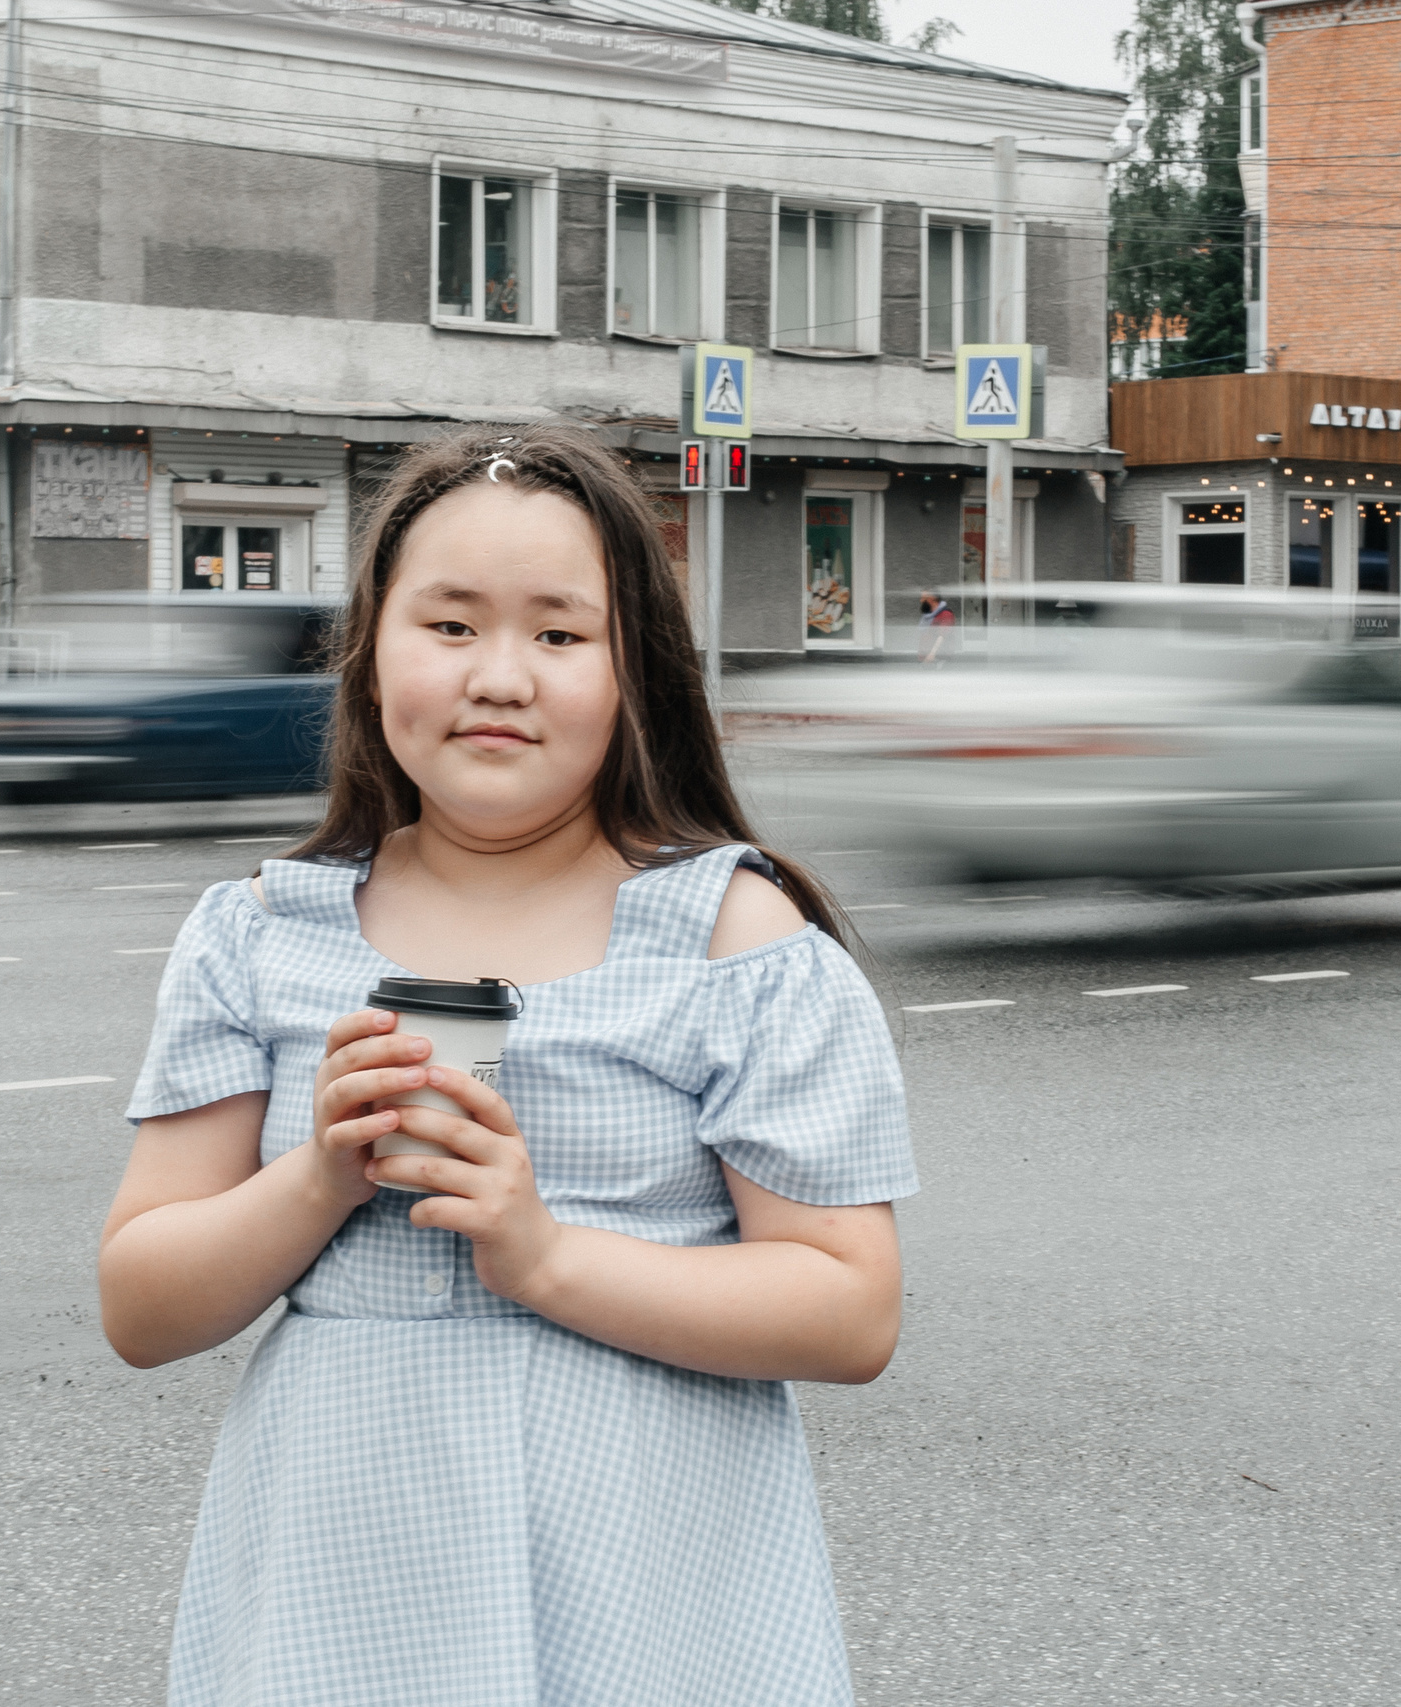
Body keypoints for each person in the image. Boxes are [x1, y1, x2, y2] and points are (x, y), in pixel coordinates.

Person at [100, 424, 916, 1706]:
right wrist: (317, 1179)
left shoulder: (738, 940)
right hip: (343, 1576)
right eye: (449, 625)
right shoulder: (256, 935)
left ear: (633, 669)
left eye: (557, 633)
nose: (500, 676)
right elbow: (142, 1307)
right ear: (369, 653)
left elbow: (850, 1309)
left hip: (655, 1580)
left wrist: (543, 1255)